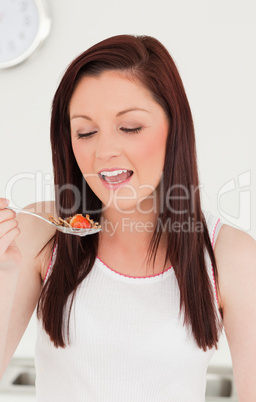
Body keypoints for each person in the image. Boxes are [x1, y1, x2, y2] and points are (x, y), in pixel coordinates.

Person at [0, 34, 255, 401]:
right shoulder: (39, 232)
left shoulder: (230, 256)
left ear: (174, 129)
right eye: (85, 132)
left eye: (130, 127)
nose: (104, 151)